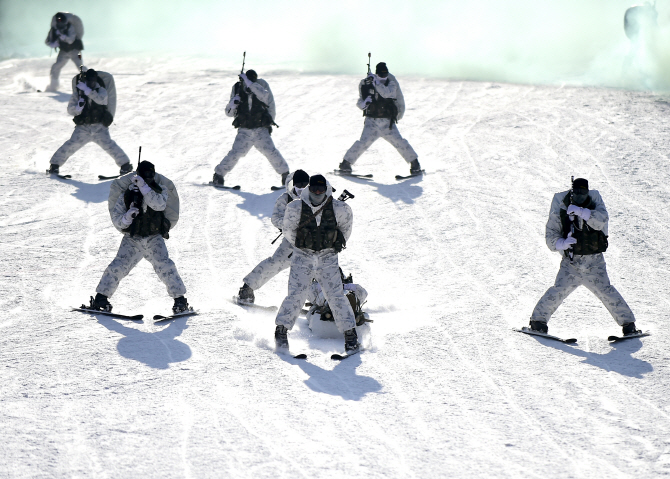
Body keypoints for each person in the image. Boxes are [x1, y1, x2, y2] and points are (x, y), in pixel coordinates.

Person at [529, 178, 639, 336]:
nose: (581, 195)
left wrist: (583, 212)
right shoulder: (562, 208)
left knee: (607, 292)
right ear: (572, 192)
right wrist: (563, 243)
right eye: (577, 192)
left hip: (595, 263)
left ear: (587, 191)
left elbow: (602, 220)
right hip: (571, 263)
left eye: (583, 191)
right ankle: (537, 322)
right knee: (558, 290)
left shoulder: (595, 205)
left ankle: (629, 325)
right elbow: (551, 235)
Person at [85, 161, 190, 315]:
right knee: (118, 266)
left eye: (150, 175)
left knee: (165, 266)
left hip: (154, 238)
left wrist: (145, 189)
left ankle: (180, 301)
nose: (147, 177)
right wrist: (128, 217)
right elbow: (117, 218)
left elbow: (159, 205)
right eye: (144, 175)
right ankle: (101, 298)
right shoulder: (127, 193)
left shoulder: (160, 190)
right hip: (132, 238)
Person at [274, 174, 359, 353]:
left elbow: (345, 230)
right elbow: (289, 231)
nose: (318, 192)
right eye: (314, 189)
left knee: (336, 295)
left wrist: (331, 247)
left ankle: (350, 335)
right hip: (302, 256)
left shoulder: (340, 208)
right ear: (309, 189)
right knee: (296, 295)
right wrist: (304, 247)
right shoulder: (295, 207)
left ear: (326, 189)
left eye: (321, 189)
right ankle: (281, 331)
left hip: (327, 258)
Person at [237, 170, 310, 303]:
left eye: (305, 186)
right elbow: (276, 218)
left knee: (319, 268)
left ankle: (325, 300)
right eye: (298, 185)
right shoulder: (285, 199)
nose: (301, 189)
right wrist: (290, 225)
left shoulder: (315, 197)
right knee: (276, 262)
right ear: (292, 185)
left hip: (315, 241)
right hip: (291, 241)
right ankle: (247, 288)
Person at [339, 62, 421, 176]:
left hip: (387, 123)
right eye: (381, 75)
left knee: (399, 142)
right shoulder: (365, 83)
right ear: (376, 74)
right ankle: (345, 164)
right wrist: (363, 104)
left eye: (385, 74)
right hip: (371, 122)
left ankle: (415, 163)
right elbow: (360, 100)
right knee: (362, 143)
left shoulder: (391, 83)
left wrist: (376, 82)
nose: (384, 77)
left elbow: (387, 94)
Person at [47, 68, 132, 177]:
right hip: (83, 128)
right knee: (70, 145)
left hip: (99, 127)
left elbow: (102, 100)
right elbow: (70, 109)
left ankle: (125, 166)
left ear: (95, 80)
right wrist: (78, 108)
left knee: (110, 146)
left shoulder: (101, 90)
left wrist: (88, 91)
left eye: (93, 80)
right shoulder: (79, 92)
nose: (91, 83)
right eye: (89, 81)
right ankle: (54, 166)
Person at [212, 69, 289, 188]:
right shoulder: (238, 88)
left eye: (252, 79)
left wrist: (269, 123)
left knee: (270, 152)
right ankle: (218, 176)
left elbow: (266, 97)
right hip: (244, 130)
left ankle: (286, 176)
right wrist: (233, 103)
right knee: (235, 153)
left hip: (260, 129)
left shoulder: (262, 85)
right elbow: (229, 113)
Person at [305, 269, 370, 335]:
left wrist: (345, 286)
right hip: (334, 296)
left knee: (332, 298)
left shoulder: (346, 286)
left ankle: (337, 308)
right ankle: (349, 310)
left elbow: (309, 294)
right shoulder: (319, 285)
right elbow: (363, 293)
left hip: (334, 295)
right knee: (339, 298)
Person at [44, 12, 84, 92]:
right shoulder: (54, 30)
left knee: (80, 66)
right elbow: (47, 41)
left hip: (75, 50)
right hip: (64, 51)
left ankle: (89, 82)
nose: (60, 23)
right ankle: (53, 86)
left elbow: (71, 40)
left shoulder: (70, 27)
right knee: (55, 67)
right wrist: (53, 44)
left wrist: (63, 36)